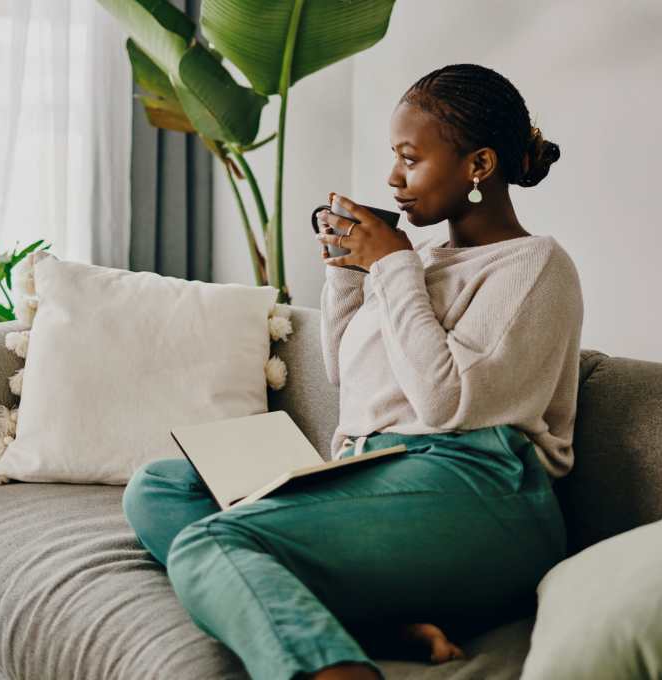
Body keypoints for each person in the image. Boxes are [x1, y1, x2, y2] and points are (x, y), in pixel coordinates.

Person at [121, 63, 583, 680]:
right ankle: (376, 624)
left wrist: (393, 268)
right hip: (377, 472)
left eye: (410, 159)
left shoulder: (534, 265)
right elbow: (347, 379)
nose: (393, 178)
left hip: (482, 490)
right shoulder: (416, 263)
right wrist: (349, 271)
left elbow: (447, 405)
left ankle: (332, 667)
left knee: (213, 541)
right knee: (159, 488)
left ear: (478, 166)